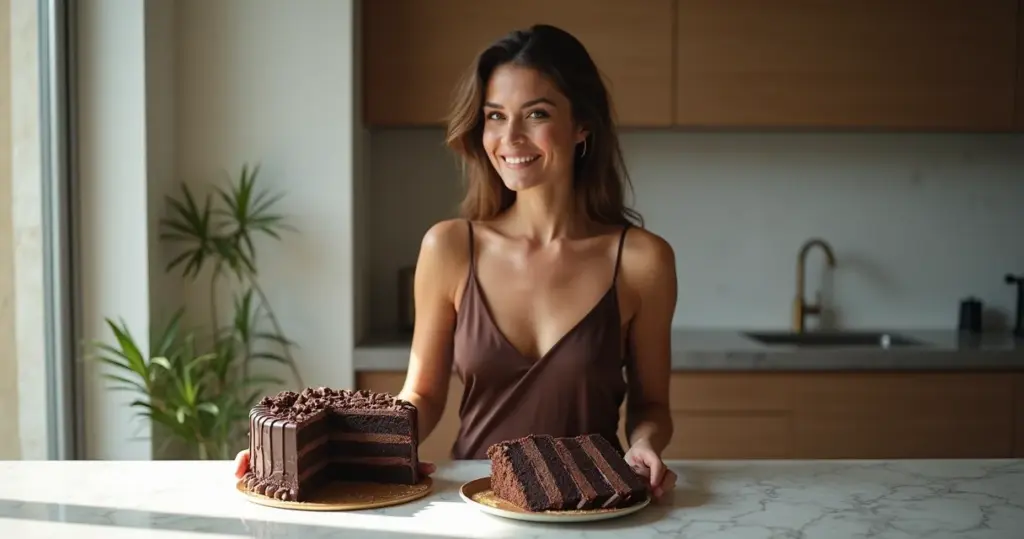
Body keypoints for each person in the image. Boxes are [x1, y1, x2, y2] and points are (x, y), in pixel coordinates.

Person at [234, 23, 678, 500]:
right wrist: (308, 456)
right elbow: (421, 397)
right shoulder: (448, 248)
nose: (510, 137)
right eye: (494, 115)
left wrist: (644, 445)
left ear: (582, 125)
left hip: (597, 505)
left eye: (536, 114)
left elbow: (651, 405)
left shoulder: (641, 260)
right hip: (478, 502)